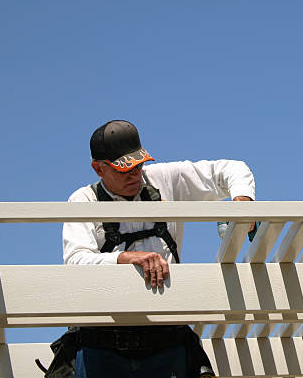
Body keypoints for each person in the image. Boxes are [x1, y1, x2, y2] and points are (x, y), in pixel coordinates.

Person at [48, 120, 255, 378]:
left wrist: (242, 202)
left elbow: (231, 169)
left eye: (138, 166)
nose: (135, 175)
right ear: (98, 169)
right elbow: (76, 262)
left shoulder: (163, 180)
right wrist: (124, 258)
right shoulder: (83, 200)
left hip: (167, 340)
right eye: (124, 171)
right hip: (101, 345)